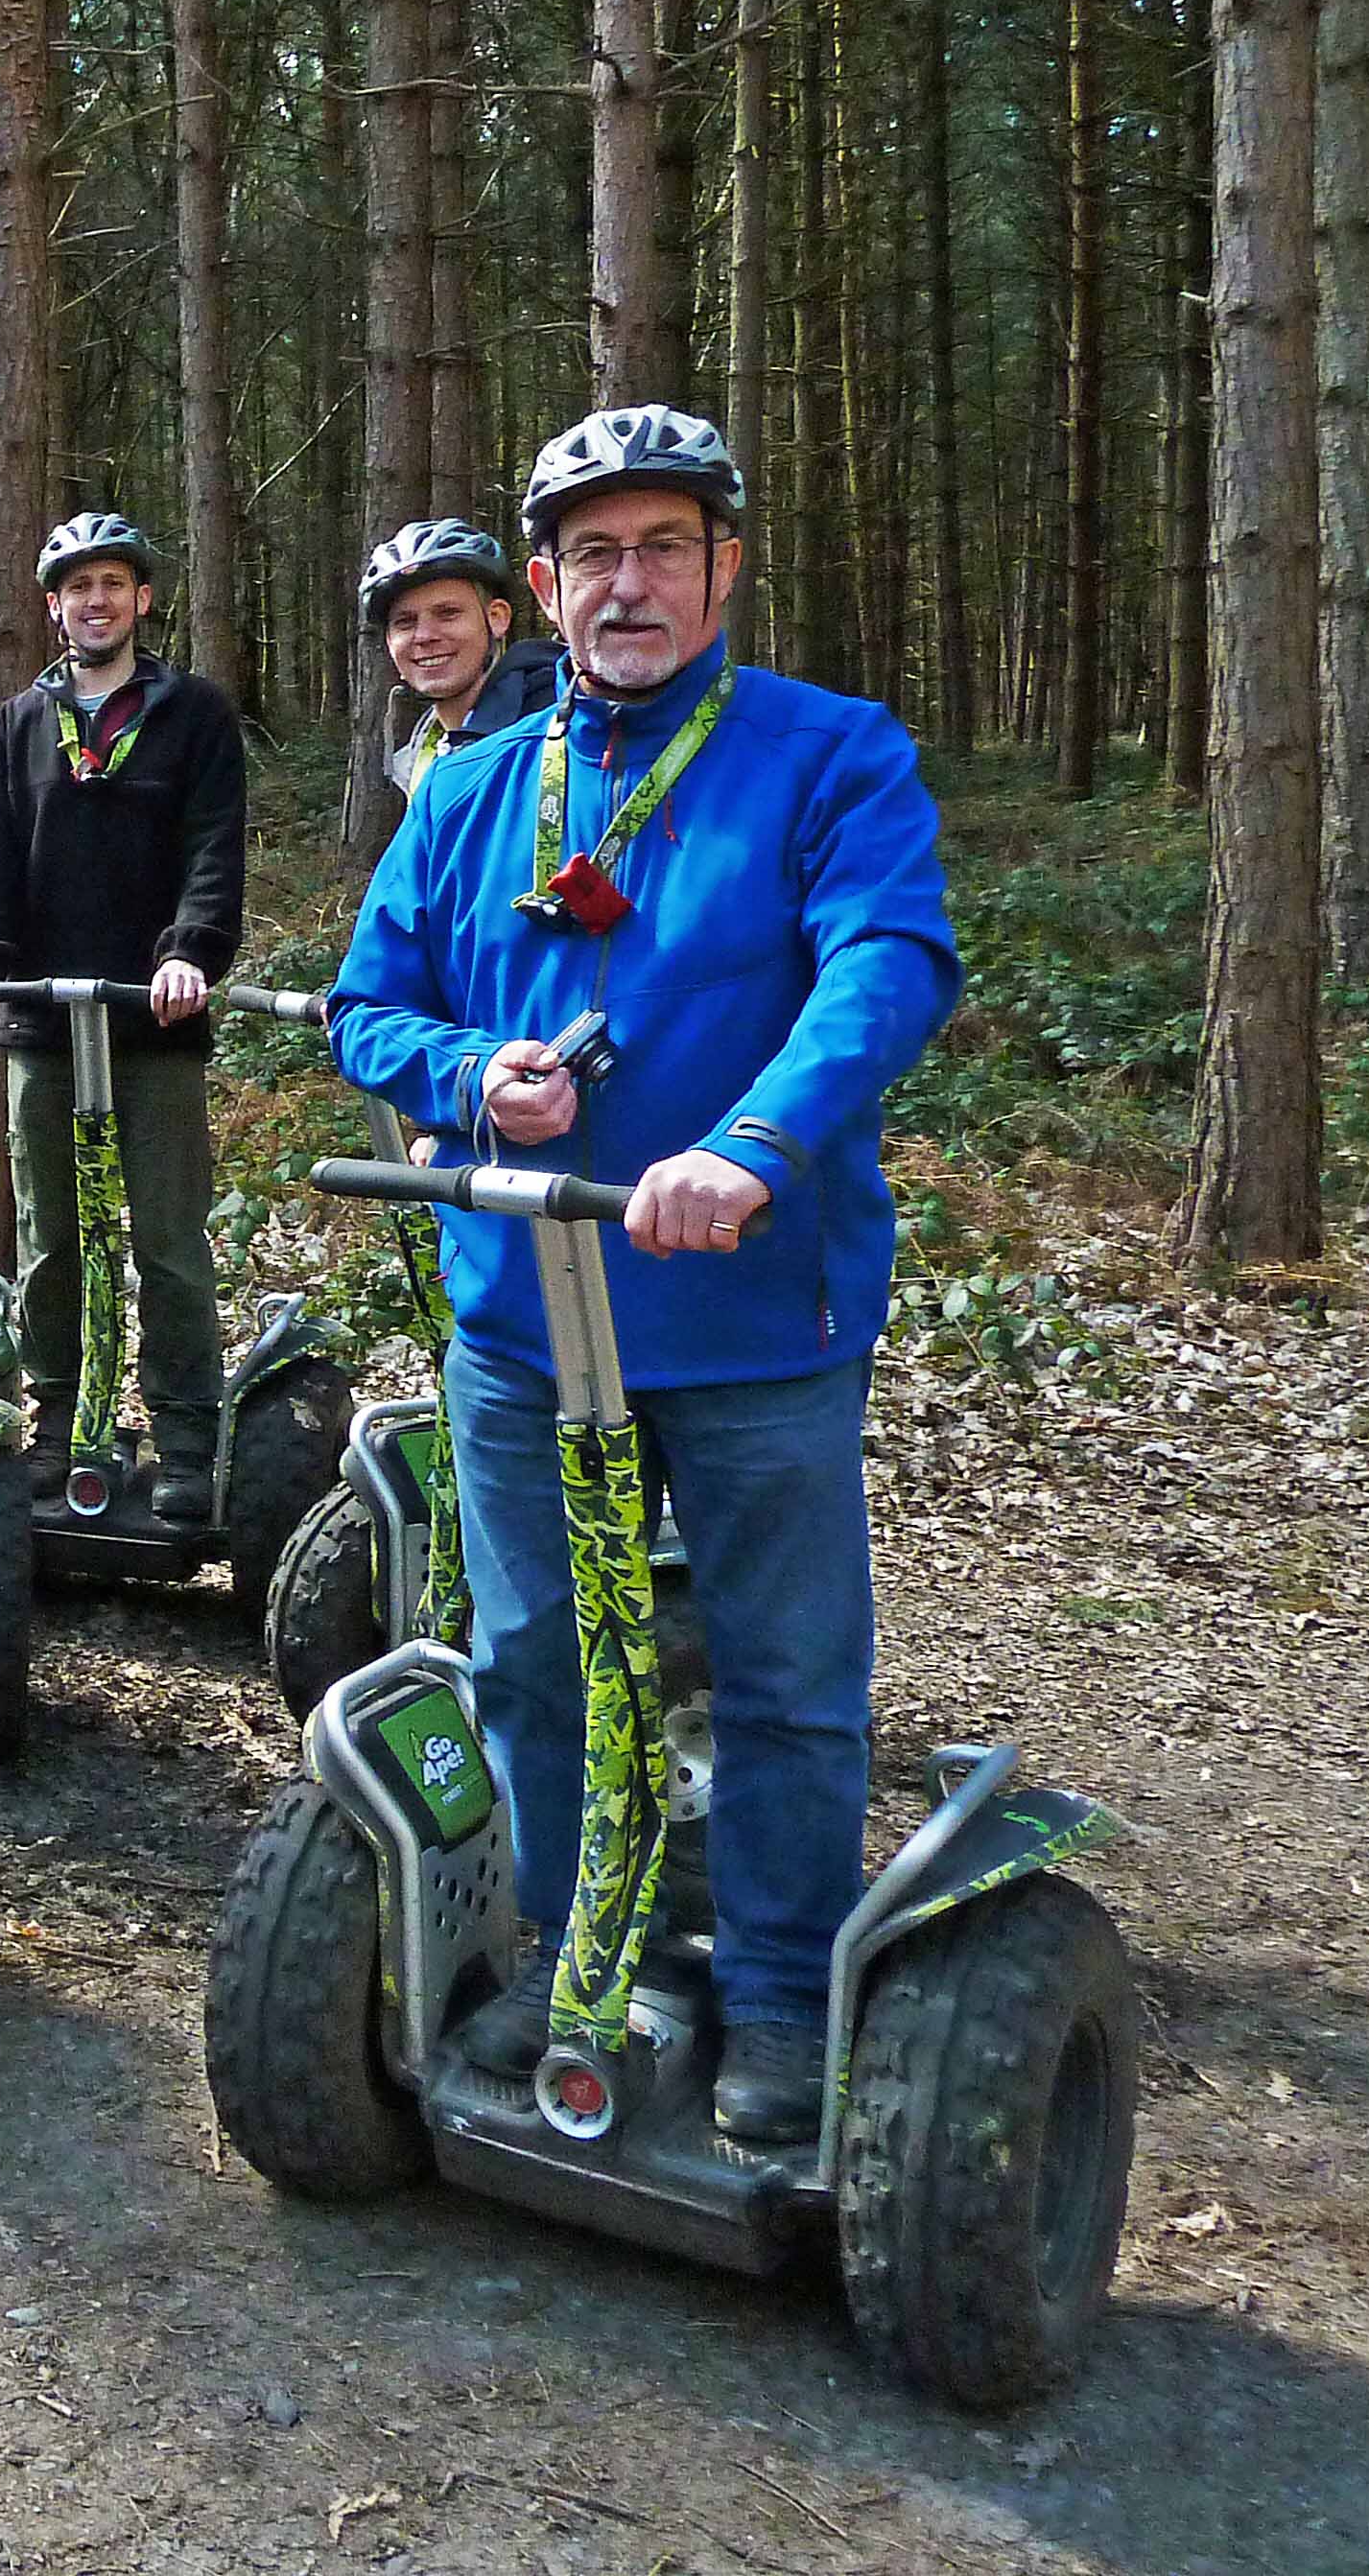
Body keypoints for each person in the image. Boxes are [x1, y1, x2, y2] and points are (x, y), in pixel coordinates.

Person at [325, 404, 959, 2144]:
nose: (629, 583)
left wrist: (755, 1145)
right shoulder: (470, 791)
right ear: (541, 590)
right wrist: (473, 1074)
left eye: (663, 548)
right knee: (537, 1654)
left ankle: (778, 1989)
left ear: (722, 567)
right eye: (593, 554)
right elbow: (367, 1004)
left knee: (781, 1676)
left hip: (753, 1314)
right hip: (526, 1320)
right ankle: (566, 1943)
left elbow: (891, 964)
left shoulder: (829, 755)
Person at [0, 512, 248, 1510]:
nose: (96, 601)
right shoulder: (14, 727)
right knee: (49, 1238)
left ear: (142, 599)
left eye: (113, 584)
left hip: (153, 1019)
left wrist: (191, 952)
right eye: (78, 588)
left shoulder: (192, 714)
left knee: (168, 1239)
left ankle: (187, 1439)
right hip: (42, 1019)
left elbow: (213, 846)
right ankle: (59, 1417)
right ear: (53, 607)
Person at [360, 516, 560, 796]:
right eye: (405, 622)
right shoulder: (426, 747)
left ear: (497, 618)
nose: (424, 636)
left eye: (447, 614)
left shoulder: (556, 725)